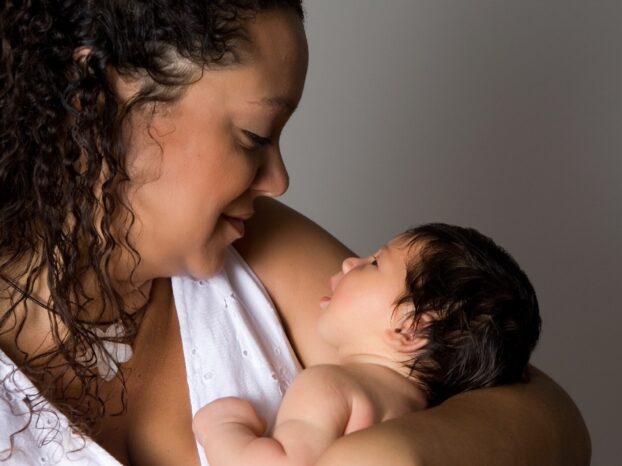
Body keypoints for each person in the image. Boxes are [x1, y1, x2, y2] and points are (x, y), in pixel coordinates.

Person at [0, 1, 590, 465]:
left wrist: (398, 454)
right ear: (97, 101)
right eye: (255, 136)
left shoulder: (255, 244)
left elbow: (548, 417)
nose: (278, 180)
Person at [192, 223, 542, 466]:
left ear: (410, 328)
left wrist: (222, 429)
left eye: (374, 263)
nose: (349, 261)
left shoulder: (330, 385)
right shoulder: (423, 413)